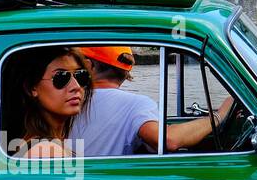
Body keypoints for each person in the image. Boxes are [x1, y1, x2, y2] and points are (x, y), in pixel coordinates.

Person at [71, 46, 234, 157]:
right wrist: (219, 116)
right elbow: (169, 140)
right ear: (126, 72)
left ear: (88, 65)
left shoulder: (63, 100)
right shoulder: (135, 105)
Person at [2, 46, 92, 158]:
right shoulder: (47, 150)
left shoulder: (41, 145)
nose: (76, 86)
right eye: (61, 78)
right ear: (32, 88)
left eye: (81, 76)